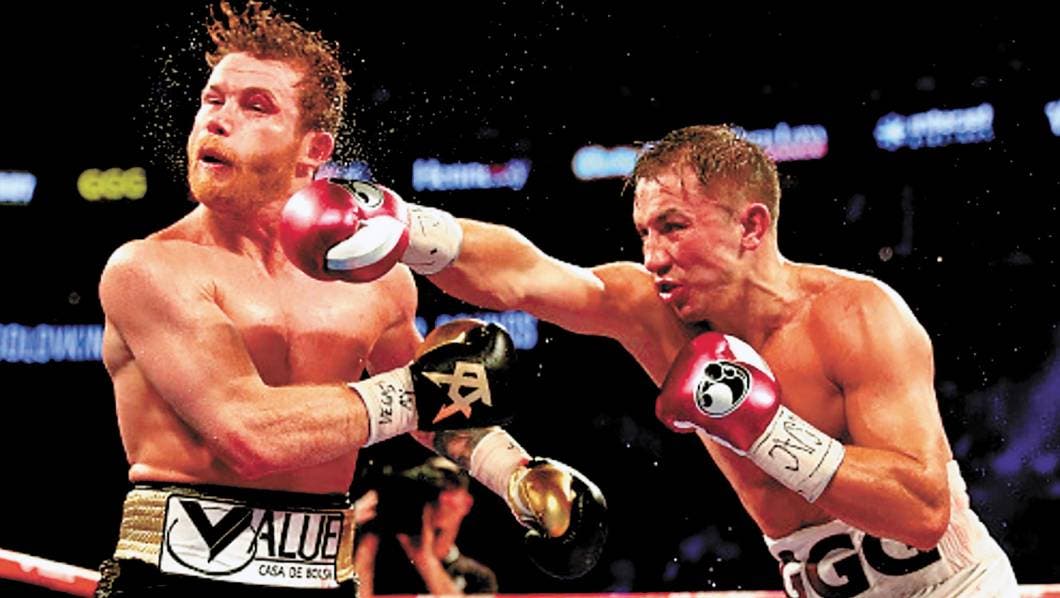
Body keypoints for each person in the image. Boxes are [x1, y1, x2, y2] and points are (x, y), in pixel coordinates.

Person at [294, 124, 1020, 596]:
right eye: (645, 232)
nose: (654, 255)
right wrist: (408, 228)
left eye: (673, 227)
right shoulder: (653, 313)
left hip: (954, 589)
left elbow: (923, 513)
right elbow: (525, 275)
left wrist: (764, 428)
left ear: (751, 226)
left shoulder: (856, 314)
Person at [95, 2, 605, 595]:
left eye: (255, 106)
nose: (217, 121)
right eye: (212, 101)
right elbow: (248, 434)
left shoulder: (376, 280)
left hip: (325, 579)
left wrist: (515, 474)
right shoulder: (149, 268)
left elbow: (438, 407)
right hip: (177, 579)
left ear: (313, 149)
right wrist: (417, 393)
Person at [353, 456, 499, 596]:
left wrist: (425, 561)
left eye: (450, 489)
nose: (439, 499)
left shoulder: (476, 577)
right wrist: (355, 524)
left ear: (467, 503)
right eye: (435, 490)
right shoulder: (383, 565)